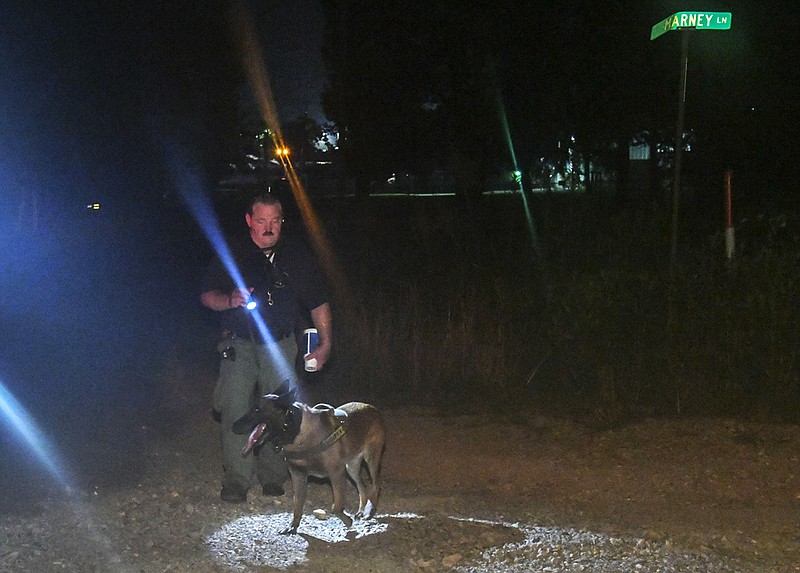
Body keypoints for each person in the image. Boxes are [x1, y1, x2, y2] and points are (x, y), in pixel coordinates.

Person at [200, 192, 332, 503]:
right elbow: (206, 296)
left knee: (280, 413)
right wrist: (229, 299)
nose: (269, 227)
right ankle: (236, 479)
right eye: (262, 221)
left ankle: (274, 476)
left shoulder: (297, 256)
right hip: (238, 343)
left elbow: (319, 303)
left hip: (281, 344)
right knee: (236, 407)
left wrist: (326, 344)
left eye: (275, 221)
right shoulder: (231, 252)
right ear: (249, 221)